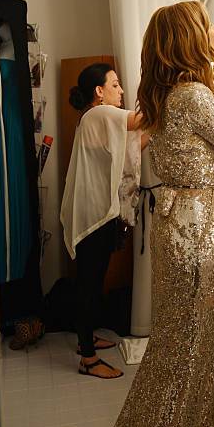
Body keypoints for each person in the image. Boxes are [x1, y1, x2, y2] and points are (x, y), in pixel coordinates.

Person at [14, 1, 214, 427]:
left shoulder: (170, 91)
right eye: (209, 25)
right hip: (195, 228)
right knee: (186, 346)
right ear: (191, 37)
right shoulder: (193, 95)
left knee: (183, 344)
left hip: (180, 224)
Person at [61, 62, 149, 379]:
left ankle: (86, 337)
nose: (121, 90)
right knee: (89, 282)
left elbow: (130, 151)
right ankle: (87, 357)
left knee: (94, 280)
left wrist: (153, 131)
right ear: (99, 91)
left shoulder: (96, 119)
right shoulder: (98, 114)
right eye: (115, 84)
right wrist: (166, 83)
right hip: (92, 213)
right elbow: (141, 120)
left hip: (94, 210)